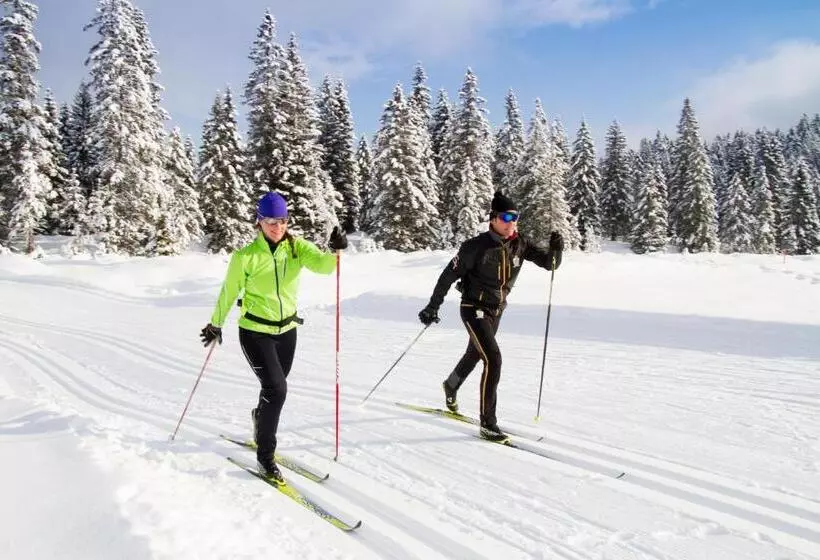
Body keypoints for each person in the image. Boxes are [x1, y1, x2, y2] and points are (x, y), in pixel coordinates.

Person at [200, 192, 348, 482]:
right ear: (259, 222)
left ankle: (260, 418)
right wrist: (215, 324)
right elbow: (229, 291)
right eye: (270, 221)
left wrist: (335, 251)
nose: (277, 227)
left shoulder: (297, 248)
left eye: (282, 221)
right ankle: (265, 457)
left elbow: (324, 267)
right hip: (255, 332)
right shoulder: (246, 257)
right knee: (277, 390)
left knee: (273, 389)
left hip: (287, 332)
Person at [418, 190, 564, 442]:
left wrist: (556, 249)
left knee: (475, 353)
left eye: (515, 217)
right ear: (493, 218)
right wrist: (433, 306)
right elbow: (447, 276)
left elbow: (549, 264)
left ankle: (451, 384)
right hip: (473, 308)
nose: (511, 222)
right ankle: (488, 424)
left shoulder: (520, 244)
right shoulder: (475, 247)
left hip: (496, 310)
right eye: (506, 217)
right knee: (493, 359)